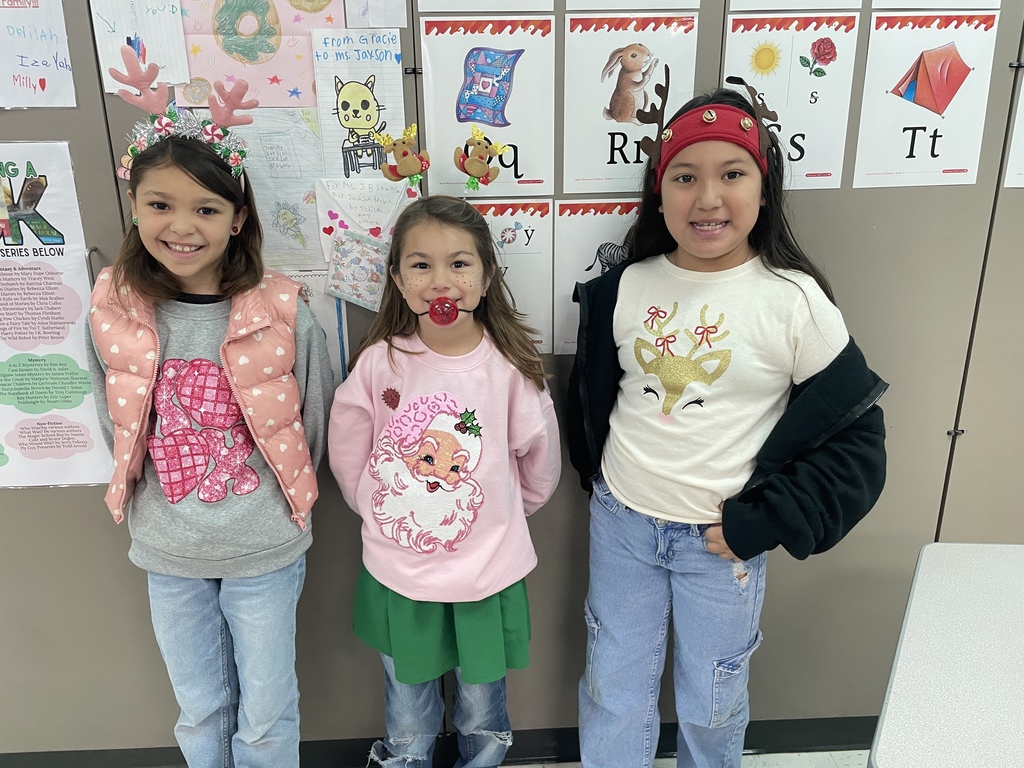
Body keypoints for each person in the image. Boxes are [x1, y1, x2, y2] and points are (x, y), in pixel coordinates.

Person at [566, 85, 888, 768]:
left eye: (732, 174)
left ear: (764, 190)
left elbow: (857, 441)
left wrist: (765, 521)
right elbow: (593, 399)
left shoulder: (793, 302)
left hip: (721, 549)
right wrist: (598, 480)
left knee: (712, 701)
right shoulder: (624, 288)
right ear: (660, 193)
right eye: (685, 177)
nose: (707, 198)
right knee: (611, 687)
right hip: (622, 527)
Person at [86, 112, 334, 765]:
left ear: (238, 219)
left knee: (267, 714)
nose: (183, 225)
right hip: (168, 549)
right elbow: (112, 411)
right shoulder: (115, 307)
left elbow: (311, 418)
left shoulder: (281, 309)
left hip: (265, 546)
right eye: (161, 204)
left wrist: (283, 505)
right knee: (199, 712)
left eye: (207, 207)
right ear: (134, 208)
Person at [329, 195, 560, 768]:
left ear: (486, 277)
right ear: (399, 281)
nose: (441, 282)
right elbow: (348, 440)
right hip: (401, 573)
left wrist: (502, 514)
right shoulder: (381, 363)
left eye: (459, 264)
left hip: (487, 574)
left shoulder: (509, 366)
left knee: (483, 707)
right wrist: (375, 504)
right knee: (408, 709)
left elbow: (540, 460)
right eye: (421, 265)